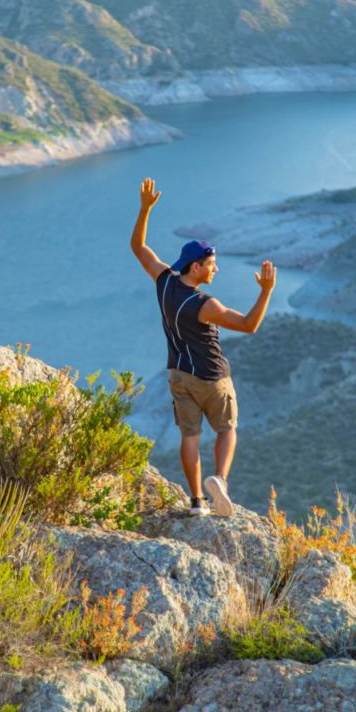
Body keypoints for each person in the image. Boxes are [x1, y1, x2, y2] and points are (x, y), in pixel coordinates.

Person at [130, 176, 276, 517]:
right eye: (211, 264)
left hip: (179, 375)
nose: (216, 269)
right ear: (196, 266)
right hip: (212, 377)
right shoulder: (205, 304)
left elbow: (138, 247)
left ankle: (197, 501)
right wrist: (266, 291)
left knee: (189, 436)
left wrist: (144, 210)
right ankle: (220, 483)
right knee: (226, 429)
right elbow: (249, 326)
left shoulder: (164, 280)